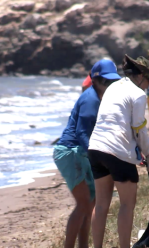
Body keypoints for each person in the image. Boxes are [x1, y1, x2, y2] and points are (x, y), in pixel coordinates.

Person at [88, 55, 149, 248]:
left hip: (95, 147)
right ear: (141, 76)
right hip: (117, 150)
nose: (148, 86)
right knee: (127, 204)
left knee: (101, 204)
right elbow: (139, 128)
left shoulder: (113, 87)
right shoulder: (138, 94)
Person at [53, 59, 121, 248]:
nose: (109, 85)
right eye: (106, 82)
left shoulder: (103, 98)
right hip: (69, 152)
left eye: (113, 82)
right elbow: (81, 133)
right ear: (95, 80)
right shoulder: (91, 99)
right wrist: (99, 157)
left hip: (83, 152)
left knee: (90, 203)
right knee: (83, 204)